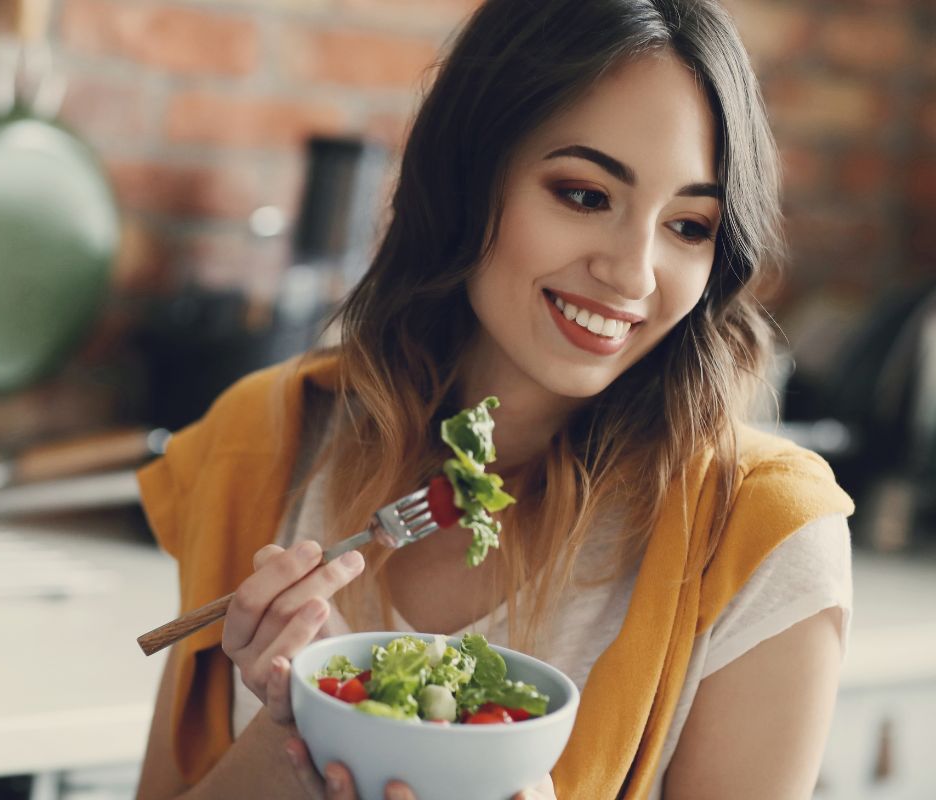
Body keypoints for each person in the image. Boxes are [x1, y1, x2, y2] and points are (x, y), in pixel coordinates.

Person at [134, 0, 854, 797]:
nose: (633, 273)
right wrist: (302, 726)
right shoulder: (263, 441)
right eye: (585, 195)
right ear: (469, 176)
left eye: (689, 226)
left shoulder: (761, 533)